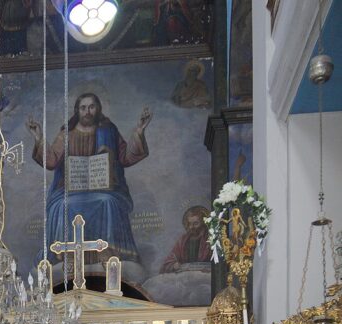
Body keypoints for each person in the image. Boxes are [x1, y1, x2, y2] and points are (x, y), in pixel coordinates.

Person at [27, 93, 151, 269]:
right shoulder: (67, 134)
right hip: (70, 191)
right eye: (83, 107)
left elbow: (125, 157)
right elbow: (52, 160)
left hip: (104, 189)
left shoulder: (109, 130)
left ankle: (107, 251)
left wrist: (139, 130)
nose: (87, 111)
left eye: (91, 107)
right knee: (63, 205)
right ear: (77, 110)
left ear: (98, 108)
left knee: (108, 202)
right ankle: (68, 254)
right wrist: (38, 138)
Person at [160, 205, 211, 273]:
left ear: (204, 223)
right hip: (187, 277)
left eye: (195, 223)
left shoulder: (212, 239)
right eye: (189, 224)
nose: (191, 227)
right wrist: (174, 265)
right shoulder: (183, 240)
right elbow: (167, 263)